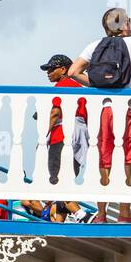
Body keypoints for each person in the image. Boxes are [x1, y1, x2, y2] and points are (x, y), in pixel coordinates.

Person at [69, 8, 131, 224]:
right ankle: (124, 214)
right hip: (127, 110)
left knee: (103, 159)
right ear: (124, 25)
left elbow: (72, 72)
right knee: (126, 158)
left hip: (103, 111)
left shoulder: (95, 45)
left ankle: (101, 214)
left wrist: (96, 84)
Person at [40, 54, 82, 186]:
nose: (48, 73)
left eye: (51, 69)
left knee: (55, 180)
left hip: (60, 137)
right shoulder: (79, 87)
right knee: (69, 179)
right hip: (79, 139)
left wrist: (42, 136)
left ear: (63, 69)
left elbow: (55, 112)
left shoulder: (62, 85)